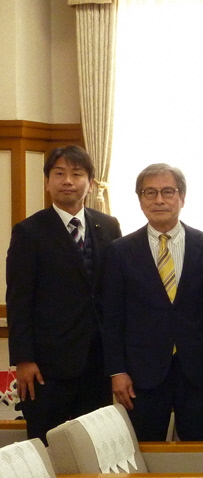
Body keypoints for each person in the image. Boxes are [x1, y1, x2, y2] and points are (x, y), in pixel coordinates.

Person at [7, 145, 122, 444]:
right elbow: (19, 300)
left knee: (96, 446)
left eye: (76, 174)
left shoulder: (108, 226)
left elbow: (115, 293)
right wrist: (24, 360)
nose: (68, 181)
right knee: (47, 445)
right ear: (47, 182)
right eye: (59, 174)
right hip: (48, 366)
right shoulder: (29, 232)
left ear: (91, 183)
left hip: (98, 363)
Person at [102, 164, 203, 442]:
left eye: (168, 191)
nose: (159, 200)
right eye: (149, 193)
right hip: (142, 372)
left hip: (197, 370)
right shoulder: (120, 251)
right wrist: (117, 371)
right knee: (144, 451)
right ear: (140, 200)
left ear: (182, 198)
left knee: (200, 453)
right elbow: (112, 317)